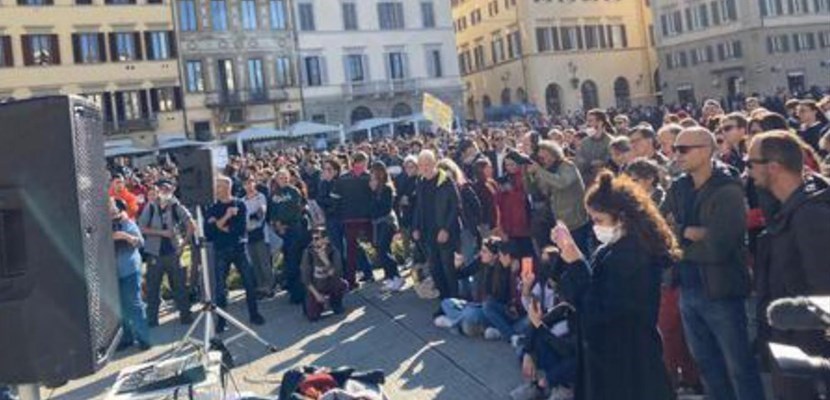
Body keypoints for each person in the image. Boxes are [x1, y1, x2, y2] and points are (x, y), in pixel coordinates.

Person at [550, 171, 677, 400]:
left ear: (622, 218)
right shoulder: (613, 249)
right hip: (616, 357)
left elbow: (599, 311)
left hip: (626, 362)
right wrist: (573, 256)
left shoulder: (633, 255)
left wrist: (576, 264)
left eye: (599, 220)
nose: (594, 227)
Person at [663, 127, 764, 400]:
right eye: (675, 148)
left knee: (739, 366)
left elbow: (719, 246)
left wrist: (678, 238)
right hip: (687, 288)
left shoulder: (727, 189)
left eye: (684, 149)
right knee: (706, 365)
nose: (676, 154)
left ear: (707, 151)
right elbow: (660, 227)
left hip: (722, 290)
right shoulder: (678, 186)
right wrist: (688, 232)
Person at [748, 131, 830, 400]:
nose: (748, 171)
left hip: (810, 348)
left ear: (773, 167)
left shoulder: (810, 214)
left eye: (751, 163)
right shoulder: (787, 210)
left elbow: (825, 290)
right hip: (790, 341)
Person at [204, 176, 265, 333]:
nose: (216, 189)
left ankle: (254, 314)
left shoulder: (239, 204)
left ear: (227, 188)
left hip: (239, 249)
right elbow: (208, 233)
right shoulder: (212, 207)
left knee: (249, 282)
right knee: (220, 287)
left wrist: (219, 224)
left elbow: (240, 229)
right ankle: (222, 321)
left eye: (219, 186)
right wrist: (226, 217)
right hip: (220, 250)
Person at [137, 179, 194, 327]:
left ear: (172, 190)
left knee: (180, 287)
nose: (164, 191)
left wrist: (183, 245)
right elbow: (141, 228)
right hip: (154, 254)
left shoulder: (176, 206)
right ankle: (152, 321)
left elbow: (191, 225)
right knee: (153, 289)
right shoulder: (151, 207)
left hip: (173, 253)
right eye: (162, 189)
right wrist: (162, 233)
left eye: (168, 189)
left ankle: (186, 317)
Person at [524, 141, 591, 254]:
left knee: (579, 253)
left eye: (546, 156)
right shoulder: (546, 170)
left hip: (575, 221)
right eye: (541, 158)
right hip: (557, 221)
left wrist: (539, 170)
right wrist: (528, 174)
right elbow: (533, 191)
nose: (544, 160)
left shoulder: (568, 166)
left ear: (555, 154)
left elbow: (561, 182)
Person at [412, 149, 462, 300]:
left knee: (448, 269)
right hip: (428, 233)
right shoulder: (420, 182)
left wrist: (446, 229)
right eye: (421, 165)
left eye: (428, 164)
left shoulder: (446, 180)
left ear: (434, 163)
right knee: (435, 269)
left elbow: (456, 206)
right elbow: (418, 207)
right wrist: (416, 227)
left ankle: (454, 301)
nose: (425, 167)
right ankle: (444, 300)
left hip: (444, 232)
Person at [111, 198, 150, 351]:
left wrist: (125, 236)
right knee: (120, 306)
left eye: (112, 206)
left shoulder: (128, 223)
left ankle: (143, 338)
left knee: (134, 303)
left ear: (119, 209)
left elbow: (140, 243)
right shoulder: (104, 225)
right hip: (112, 273)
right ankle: (127, 338)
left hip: (129, 270)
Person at [331, 151, 375, 287]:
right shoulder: (369, 177)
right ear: (361, 162)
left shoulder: (343, 178)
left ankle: (351, 280)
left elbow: (335, 200)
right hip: (365, 217)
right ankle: (387, 273)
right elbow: (374, 196)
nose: (366, 165)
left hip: (350, 218)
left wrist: (339, 213)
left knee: (351, 250)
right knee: (377, 244)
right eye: (365, 162)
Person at [269, 169, 308, 304]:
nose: (283, 180)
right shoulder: (274, 194)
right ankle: (291, 290)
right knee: (287, 261)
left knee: (295, 261)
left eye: (285, 177)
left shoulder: (294, 191)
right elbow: (272, 212)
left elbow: (296, 210)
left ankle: (299, 293)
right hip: (281, 232)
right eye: (280, 177)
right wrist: (277, 224)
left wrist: (284, 223)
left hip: (294, 229)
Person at [300, 227, 348, 322]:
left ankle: (336, 304)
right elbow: (306, 279)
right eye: (313, 239)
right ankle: (314, 306)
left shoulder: (333, 251)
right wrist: (317, 295)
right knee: (313, 317)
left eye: (317, 238)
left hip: (329, 284)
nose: (314, 242)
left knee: (342, 284)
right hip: (315, 287)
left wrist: (325, 260)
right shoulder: (308, 253)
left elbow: (337, 274)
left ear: (326, 240)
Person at [369, 161, 402, 291]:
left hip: (387, 223)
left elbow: (384, 209)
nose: (372, 175)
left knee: (383, 250)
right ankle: (390, 277)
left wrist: (373, 193)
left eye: (373, 172)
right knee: (382, 250)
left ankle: (396, 276)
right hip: (379, 223)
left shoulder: (387, 188)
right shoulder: (376, 188)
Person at [243, 175, 272, 299]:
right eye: (246, 183)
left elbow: (260, 213)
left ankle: (269, 286)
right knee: (255, 262)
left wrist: (251, 217)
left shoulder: (261, 197)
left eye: (251, 182)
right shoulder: (242, 200)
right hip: (248, 235)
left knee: (264, 262)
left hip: (260, 233)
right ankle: (260, 287)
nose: (249, 185)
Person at [575, 109, 614, 184]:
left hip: (605, 181)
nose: (588, 124)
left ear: (600, 122)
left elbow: (611, 161)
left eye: (590, 121)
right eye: (587, 121)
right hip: (587, 181)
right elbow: (579, 161)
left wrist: (601, 163)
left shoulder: (611, 141)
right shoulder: (585, 142)